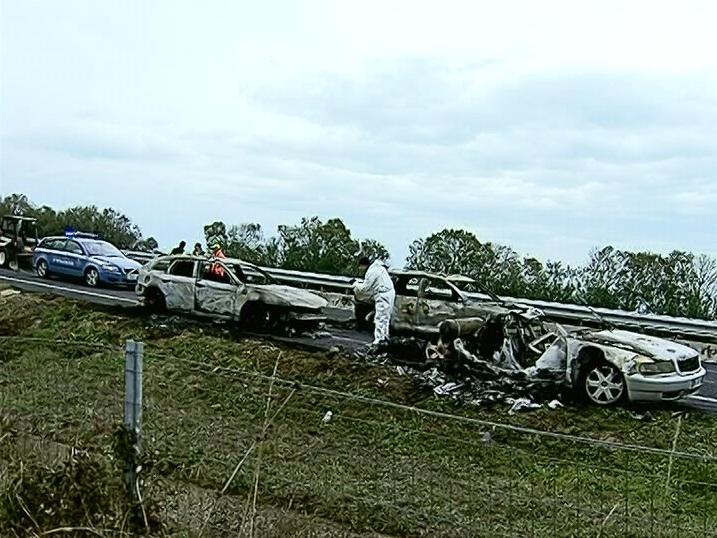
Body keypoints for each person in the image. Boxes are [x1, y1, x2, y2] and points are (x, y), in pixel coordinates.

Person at [352, 256, 395, 346]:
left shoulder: (371, 271)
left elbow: (365, 288)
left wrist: (355, 284)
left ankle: (378, 341)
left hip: (382, 294)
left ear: (363, 265)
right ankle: (384, 338)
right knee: (385, 318)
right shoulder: (378, 268)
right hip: (390, 292)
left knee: (380, 318)